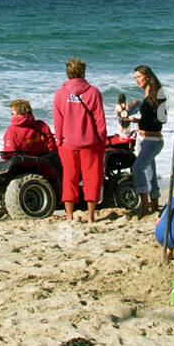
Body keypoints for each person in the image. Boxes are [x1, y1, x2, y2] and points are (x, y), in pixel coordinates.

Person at [53, 59, 108, 223]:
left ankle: (69, 216)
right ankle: (91, 216)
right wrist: (102, 138)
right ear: (83, 72)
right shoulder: (93, 92)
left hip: (68, 143)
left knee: (69, 178)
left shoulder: (60, 94)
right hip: (91, 144)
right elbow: (100, 120)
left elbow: (58, 121)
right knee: (92, 178)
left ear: (67, 73)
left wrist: (59, 139)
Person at [128, 64, 165, 217]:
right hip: (146, 139)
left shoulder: (157, 94)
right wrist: (137, 121)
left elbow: (162, 120)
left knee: (137, 168)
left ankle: (144, 208)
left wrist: (141, 121)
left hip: (152, 140)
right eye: (135, 77)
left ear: (147, 76)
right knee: (149, 171)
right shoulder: (148, 93)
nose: (136, 80)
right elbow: (153, 119)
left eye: (138, 77)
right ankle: (154, 205)